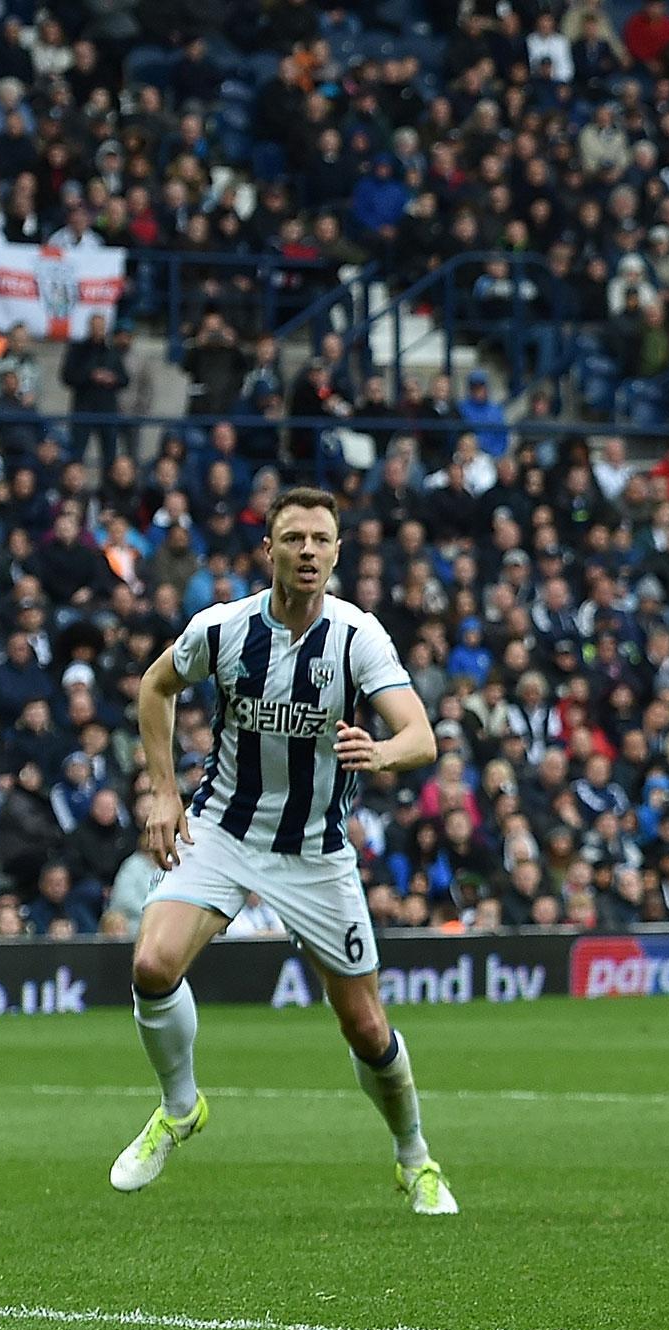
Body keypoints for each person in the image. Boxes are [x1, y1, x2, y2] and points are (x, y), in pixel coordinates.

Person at [112, 487, 456, 1215]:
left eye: (320, 539)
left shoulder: (356, 637)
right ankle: (180, 1109)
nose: (307, 550)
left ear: (337, 552)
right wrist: (165, 792)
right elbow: (155, 685)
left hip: (315, 852)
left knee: (365, 1026)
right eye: (293, 538)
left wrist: (384, 753)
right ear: (268, 550)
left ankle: (414, 1157)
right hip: (226, 830)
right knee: (150, 964)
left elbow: (421, 737)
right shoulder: (226, 627)